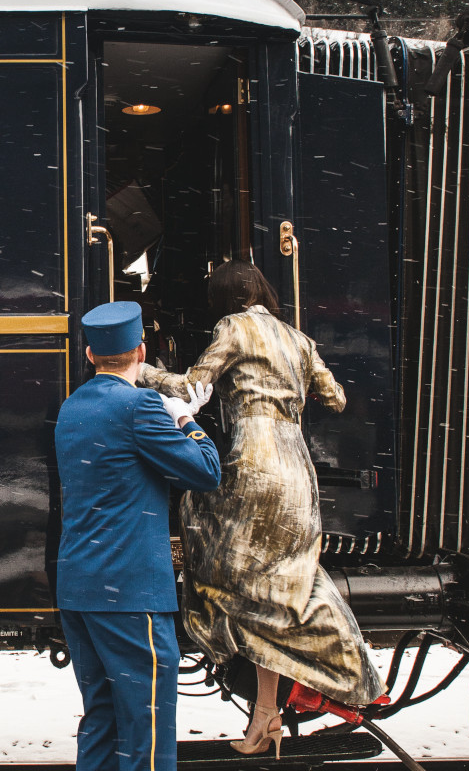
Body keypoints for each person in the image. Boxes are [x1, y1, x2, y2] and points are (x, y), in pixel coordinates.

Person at [138, 260, 385, 758]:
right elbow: (335, 398)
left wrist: (142, 372)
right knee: (274, 590)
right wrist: (288, 391)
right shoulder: (297, 337)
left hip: (254, 462)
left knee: (225, 568)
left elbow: (192, 388)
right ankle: (266, 714)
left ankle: (330, 671)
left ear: (224, 299)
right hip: (298, 471)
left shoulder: (234, 327)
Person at [55, 300, 222, 771]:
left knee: (102, 723)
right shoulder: (141, 406)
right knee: (146, 735)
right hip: (128, 593)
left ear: (90, 355)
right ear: (141, 351)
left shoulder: (72, 407)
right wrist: (185, 419)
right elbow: (206, 472)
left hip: (80, 590)